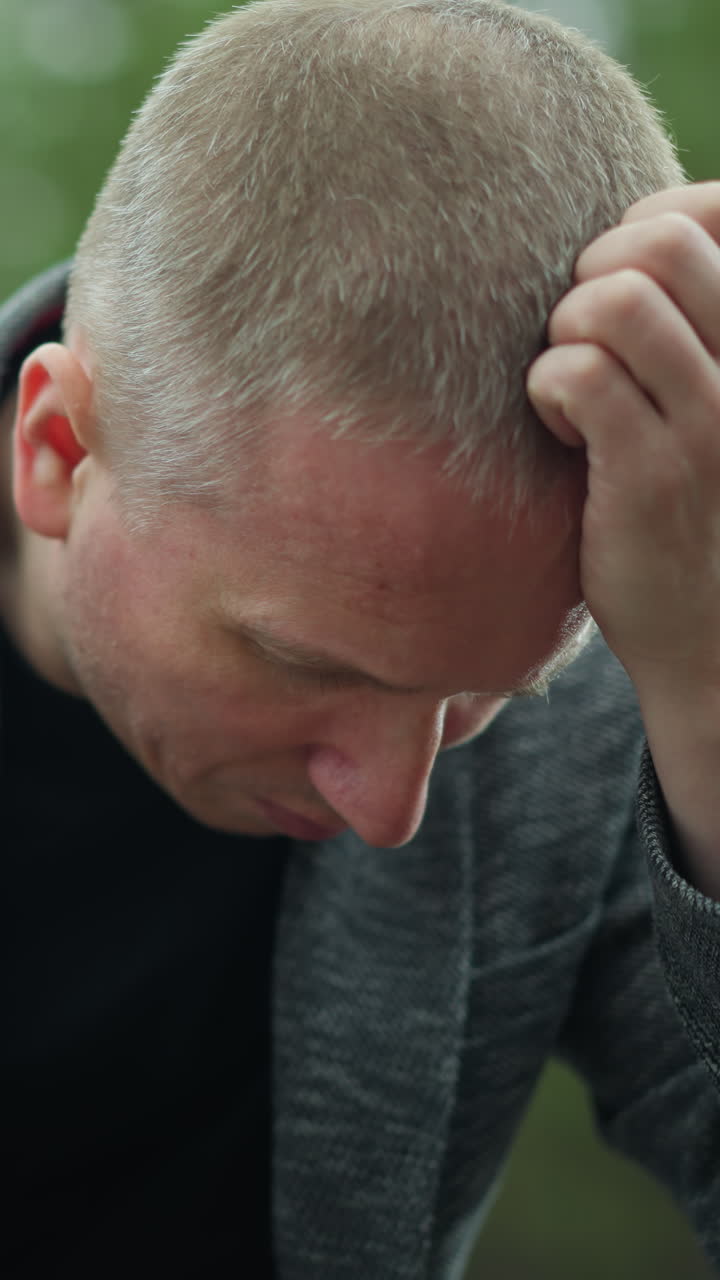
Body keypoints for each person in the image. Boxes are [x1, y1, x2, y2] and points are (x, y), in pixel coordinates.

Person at [2, 0, 720, 1275]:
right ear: (57, 452)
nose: (396, 804)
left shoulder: (629, 699)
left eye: (485, 694)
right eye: (307, 664)